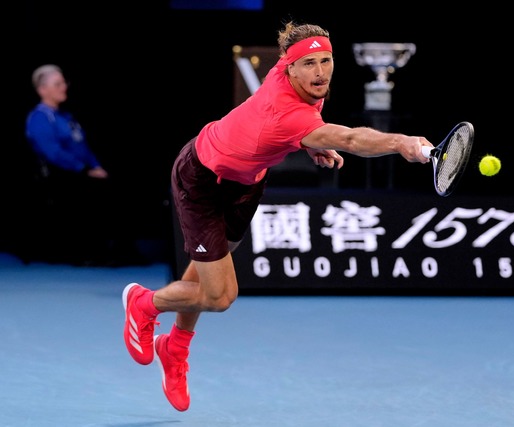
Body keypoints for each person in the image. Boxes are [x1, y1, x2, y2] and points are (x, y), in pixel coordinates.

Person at [122, 21, 434, 412]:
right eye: (310, 64)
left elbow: (306, 130)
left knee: (202, 274)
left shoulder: (300, 84)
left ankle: (175, 349)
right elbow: (352, 140)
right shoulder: (289, 112)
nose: (320, 72)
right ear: (289, 69)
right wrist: (400, 143)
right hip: (201, 178)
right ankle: (144, 303)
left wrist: (307, 145)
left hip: (245, 182)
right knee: (219, 296)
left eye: (326, 60)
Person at [24, 64, 131, 265]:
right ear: (42, 89)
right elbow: (53, 153)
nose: (64, 87)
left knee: (113, 184)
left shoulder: (66, 117)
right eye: (58, 83)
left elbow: (83, 147)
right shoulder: (40, 117)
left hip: (81, 171)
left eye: (64, 82)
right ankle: (93, 252)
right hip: (60, 176)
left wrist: (96, 167)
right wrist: (83, 169)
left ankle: (119, 250)